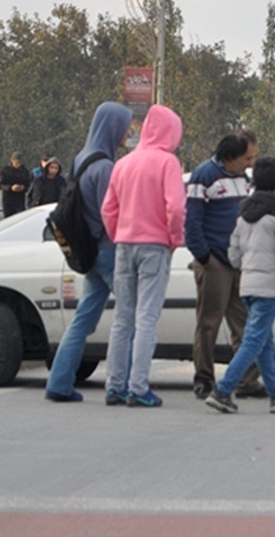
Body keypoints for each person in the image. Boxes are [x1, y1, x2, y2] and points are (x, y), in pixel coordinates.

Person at [44, 103, 133, 403]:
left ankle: (59, 382)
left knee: (83, 319)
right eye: (125, 126)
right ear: (112, 128)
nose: (129, 132)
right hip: (109, 251)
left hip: (89, 252)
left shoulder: (81, 159)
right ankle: (124, 385)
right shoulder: (105, 167)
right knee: (130, 317)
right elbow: (112, 213)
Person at [101, 104, 185, 408]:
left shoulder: (123, 164)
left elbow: (108, 209)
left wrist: (119, 233)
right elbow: (175, 207)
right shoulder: (168, 163)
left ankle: (115, 385)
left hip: (124, 244)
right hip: (156, 246)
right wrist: (175, 239)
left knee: (122, 318)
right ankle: (138, 386)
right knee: (146, 318)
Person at [206, 156, 275, 415]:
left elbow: (233, 253)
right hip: (270, 287)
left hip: (247, 285)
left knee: (264, 344)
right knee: (254, 341)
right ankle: (222, 390)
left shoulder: (243, 212)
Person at [186, 129, 264, 400]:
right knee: (209, 323)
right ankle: (204, 379)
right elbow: (192, 221)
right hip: (215, 262)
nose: (250, 163)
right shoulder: (204, 176)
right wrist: (205, 257)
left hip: (240, 261)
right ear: (231, 156)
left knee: (243, 323)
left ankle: (247, 380)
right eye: (247, 157)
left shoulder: (244, 179)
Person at [0, 152, 32, 217]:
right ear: (12, 161)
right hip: (8, 201)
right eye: (16, 162)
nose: (18, 164)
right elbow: (0, 185)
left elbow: (29, 185)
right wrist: (11, 188)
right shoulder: (5, 171)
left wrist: (23, 187)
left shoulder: (25, 172)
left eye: (20, 162)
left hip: (20, 200)